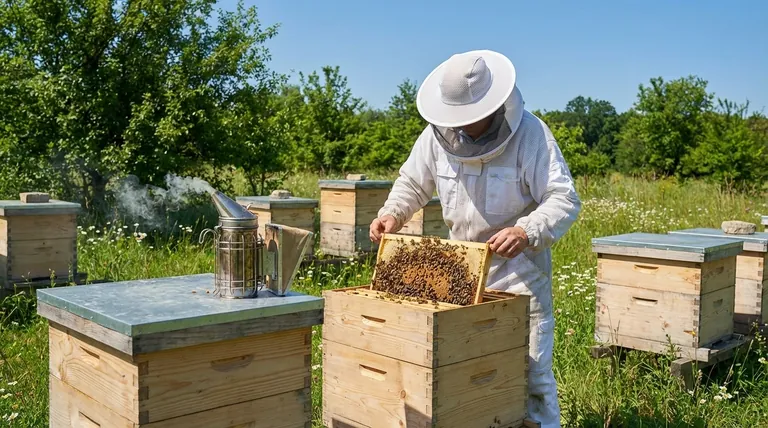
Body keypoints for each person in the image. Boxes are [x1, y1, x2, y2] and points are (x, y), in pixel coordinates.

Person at [369, 50, 581, 428]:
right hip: (457, 277)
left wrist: (526, 230)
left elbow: (563, 197)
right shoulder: (436, 136)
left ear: (495, 104)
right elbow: (413, 183)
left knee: (532, 376)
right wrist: (391, 214)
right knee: (468, 376)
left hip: (518, 275)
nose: (462, 127)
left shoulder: (531, 135)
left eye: (470, 117)